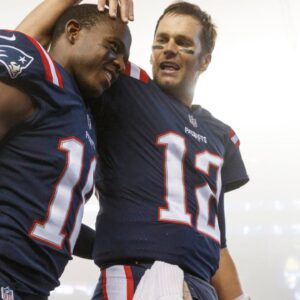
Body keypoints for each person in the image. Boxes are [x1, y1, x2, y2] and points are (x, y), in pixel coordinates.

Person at [18, 1, 250, 299]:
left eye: (182, 42)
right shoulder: (125, 85)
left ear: (204, 61)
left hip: (202, 286)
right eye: (161, 40)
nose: (168, 48)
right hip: (139, 273)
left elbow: (218, 244)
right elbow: (24, 56)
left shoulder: (221, 134)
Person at [0, 2, 131, 299]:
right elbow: (17, 47)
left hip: (32, 288)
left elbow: (56, 223)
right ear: (73, 32)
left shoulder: (82, 114)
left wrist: (123, 247)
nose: (120, 64)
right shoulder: (40, 74)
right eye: (113, 47)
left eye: (124, 58)